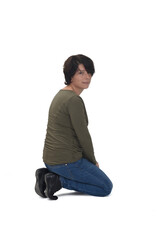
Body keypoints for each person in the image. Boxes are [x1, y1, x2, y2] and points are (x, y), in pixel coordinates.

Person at [35, 54, 113, 200]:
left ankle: (46, 175)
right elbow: (83, 135)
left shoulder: (61, 94)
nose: (87, 77)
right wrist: (92, 161)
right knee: (105, 187)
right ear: (70, 75)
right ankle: (58, 181)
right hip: (66, 162)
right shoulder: (73, 100)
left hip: (50, 160)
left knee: (95, 180)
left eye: (89, 72)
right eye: (81, 73)